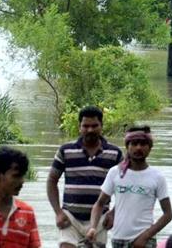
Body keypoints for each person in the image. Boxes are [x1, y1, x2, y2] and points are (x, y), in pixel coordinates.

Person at [47, 106, 124, 248]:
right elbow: (52, 180)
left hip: (101, 219)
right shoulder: (65, 150)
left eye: (94, 126)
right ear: (79, 127)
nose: (90, 130)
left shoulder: (115, 154)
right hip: (70, 218)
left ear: (101, 126)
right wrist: (58, 212)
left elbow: (125, 187)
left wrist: (114, 213)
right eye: (86, 126)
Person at [86, 126, 172, 248]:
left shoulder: (157, 177)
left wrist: (146, 236)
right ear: (127, 147)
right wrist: (93, 227)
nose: (138, 148)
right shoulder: (115, 172)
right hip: (118, 239)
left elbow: (168, 214)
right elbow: (99, 204)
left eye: (143, 144)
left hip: (145, 241)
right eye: (134, 143)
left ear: (150, 148)